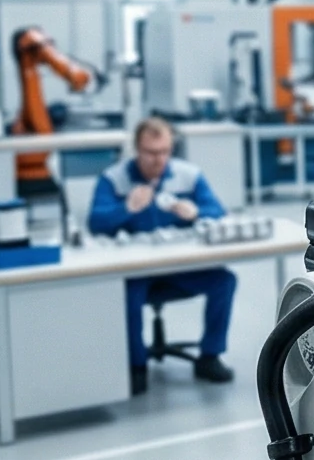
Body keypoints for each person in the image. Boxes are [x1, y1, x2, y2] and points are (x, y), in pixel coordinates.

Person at [88, 116, 236, 392]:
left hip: (181, 267)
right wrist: (126, 209)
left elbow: (217, 211)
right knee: (127, 294)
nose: (159, 160)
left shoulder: (188, 175)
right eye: (151, 153)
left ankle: (210, 356)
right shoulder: (114, 179)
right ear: (136, 149)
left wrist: (197, 212)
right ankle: (136, 366)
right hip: (136, 271)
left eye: (165, 152)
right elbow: (95, 223)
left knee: (224, 281)